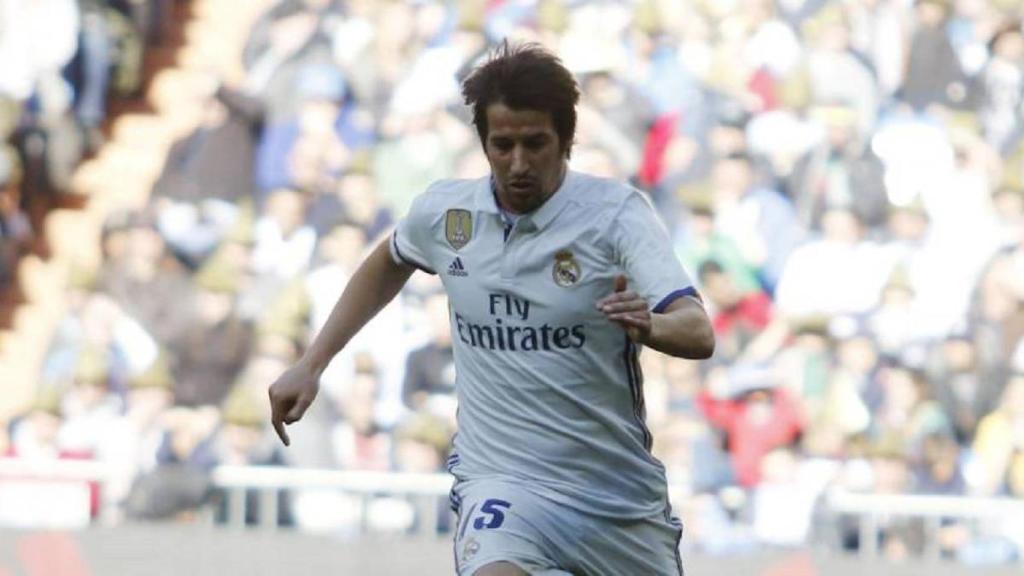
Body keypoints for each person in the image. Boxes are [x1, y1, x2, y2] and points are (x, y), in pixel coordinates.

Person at [268, 42, 714, 576]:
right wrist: (312, 362)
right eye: (502, 145)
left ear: (566, 141)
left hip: (614, 501)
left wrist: (650, 325)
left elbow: (698, 331)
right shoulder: (447, 213)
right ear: (483, 143)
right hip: (503, 483)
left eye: (535, 143)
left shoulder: (615, 215)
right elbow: (388, 262)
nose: (518, 163)